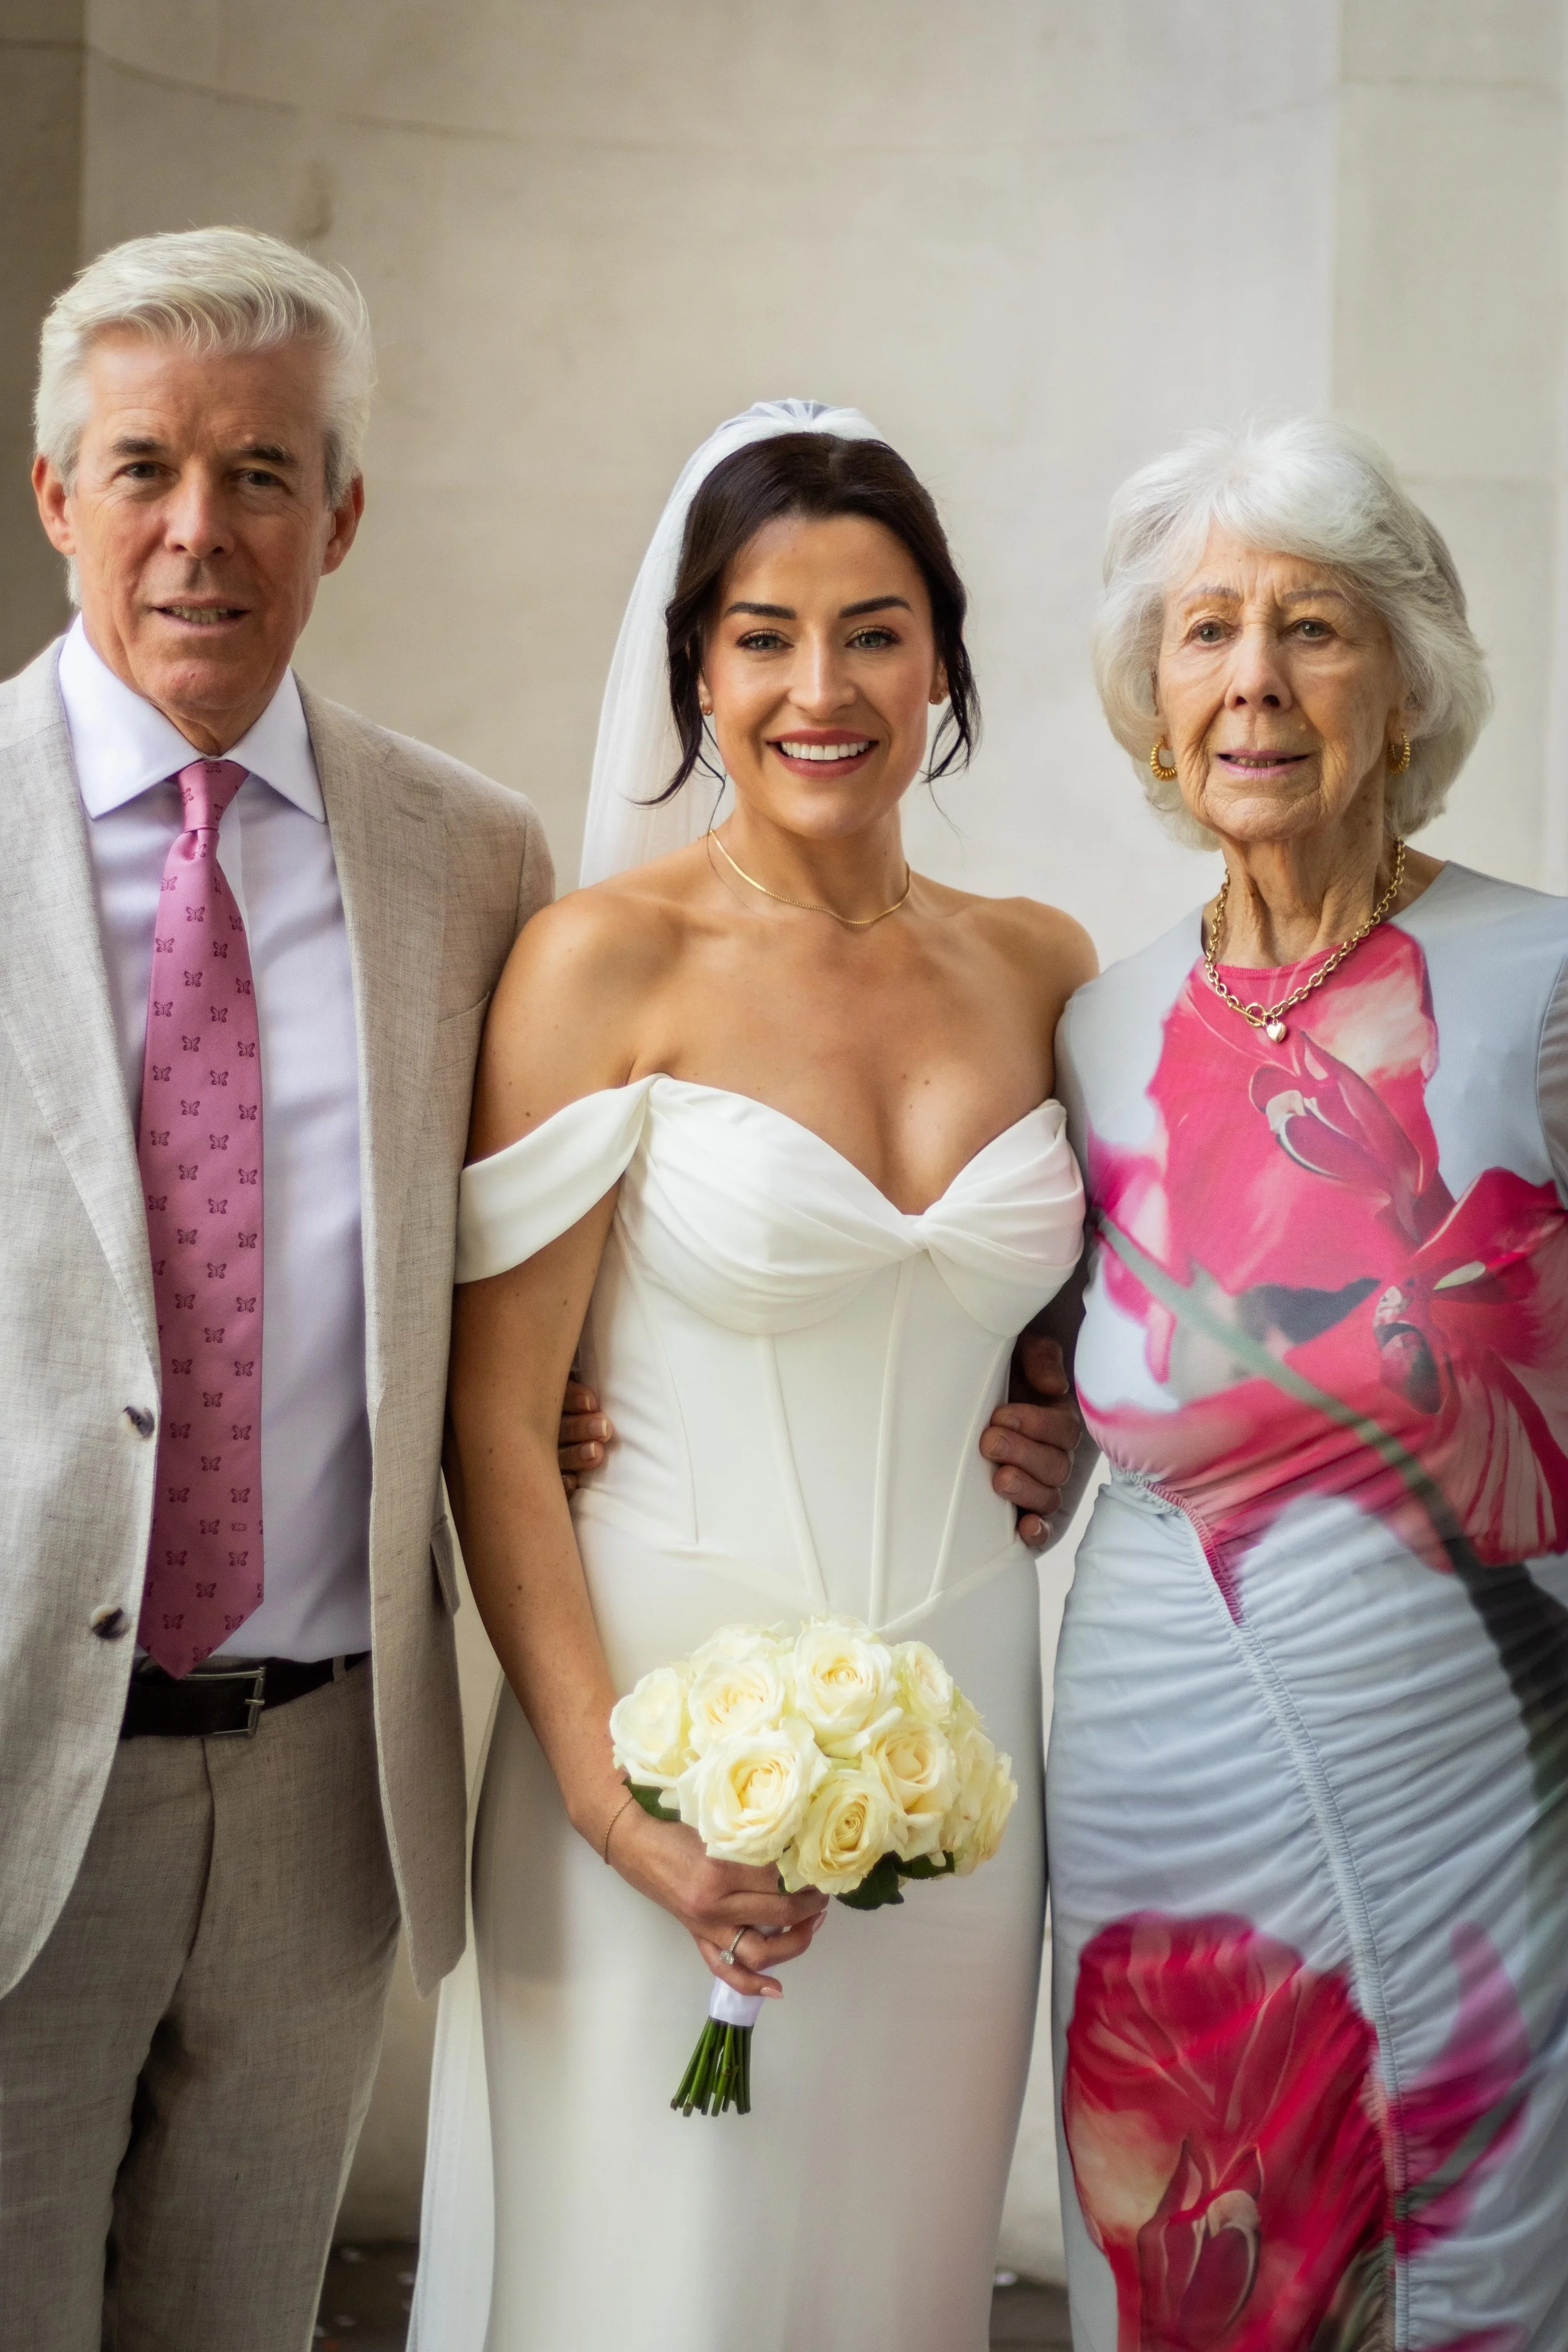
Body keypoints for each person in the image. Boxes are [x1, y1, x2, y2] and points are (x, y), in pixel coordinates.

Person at [411, 402, 1092, 2352]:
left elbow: (1130, 1292)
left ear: (942, 658)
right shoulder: (595, 966)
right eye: (765, 634)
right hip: (647, 1719)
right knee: (655, 2280)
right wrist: (620, 1810)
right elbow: (494, 1419)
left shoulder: (1044, 968)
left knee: (890, 2274)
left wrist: (1062, 1403)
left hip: (965, 1743)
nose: (821, 686)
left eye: (874, 630)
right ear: (695, 667)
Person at [0, 226, 553, 2352]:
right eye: (144, 468)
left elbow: (549, 1264)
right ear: (55, 495)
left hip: (331, 1790)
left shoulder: (470, 858)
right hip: (23, 1754)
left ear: (342, 509)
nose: (198, 533)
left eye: (260, 473)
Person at [1047, 417, 1568, 2350]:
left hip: (1466, 1725)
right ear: (1152, 694)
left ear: (1406, 679)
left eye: (1314, 630)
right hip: (1155, 1725)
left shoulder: (1540, 972)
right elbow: (1067, 1333)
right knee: (1186, 2214)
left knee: (1468, 2216)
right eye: (1205, 632)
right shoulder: (1098, 1020)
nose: (1252, 680)